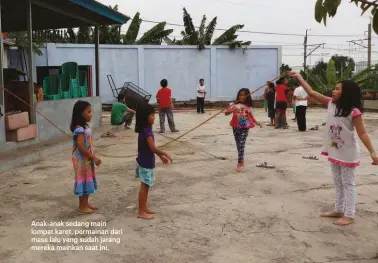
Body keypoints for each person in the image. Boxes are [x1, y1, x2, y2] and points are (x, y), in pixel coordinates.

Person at [290, 71, 378, 226]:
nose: (333, 91)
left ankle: (349, 214)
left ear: (346, 93)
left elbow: (362, 133)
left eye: (338, 89)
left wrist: (372, 152)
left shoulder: (354, 112)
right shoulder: (331, 103)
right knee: (338, 182)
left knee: (348, 183)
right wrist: (298, 77)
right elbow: (311, 92)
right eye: (334, 88)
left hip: (348, 152)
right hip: (334, 150)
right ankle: (339, 209)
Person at [135, 103, 173, 220]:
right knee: (144, 186)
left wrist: (160, 157)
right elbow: (152, 148)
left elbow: (150, 148)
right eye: (152, 115)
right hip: (145, 163)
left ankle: (144, 207)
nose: (154, 117)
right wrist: (164, 153)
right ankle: (141, 211)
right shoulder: (147, 132)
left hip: (146, 162)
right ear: (145, 117)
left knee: (146, 186)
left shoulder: (146, 131)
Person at [70, 100, 101, 214]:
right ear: (80, 114)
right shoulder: (79, 130)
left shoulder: (84, 127)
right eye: (88, 112)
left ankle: (86, 203)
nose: (91, 114)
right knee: (83, 180)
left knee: (88, 179)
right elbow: (81, 147)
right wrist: (94, 157)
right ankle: (82, 206)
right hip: (81, 160)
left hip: (87, 159)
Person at [225, 88, 262, 173]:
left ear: (247, 96)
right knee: (238, 144)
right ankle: (241, 159)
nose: (241, 97)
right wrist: (231, 109)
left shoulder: (248, 107)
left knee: (241, 144)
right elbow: (226, 113)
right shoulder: (233, 104)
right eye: (240, 95)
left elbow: (251, 116)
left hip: (245, 127)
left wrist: (256, 122)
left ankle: (239, 163)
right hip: (235, 126)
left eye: (244, 95)